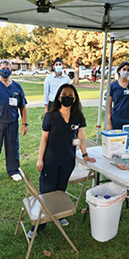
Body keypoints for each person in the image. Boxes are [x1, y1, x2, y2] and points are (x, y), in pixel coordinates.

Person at [30, 84, 96, 237]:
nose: (67, 96)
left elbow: (81, 137)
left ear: (74, 98)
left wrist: (85, 154)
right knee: (46, 193)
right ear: (59, 97)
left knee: (60, 190)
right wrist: (40, 159)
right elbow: (44, 139)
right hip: (50, 161)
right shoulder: (50, 116)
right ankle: (40, 225)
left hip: (67, 161)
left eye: (70, 94)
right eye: (64, 94)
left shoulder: (78, 116)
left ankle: (59, 216)